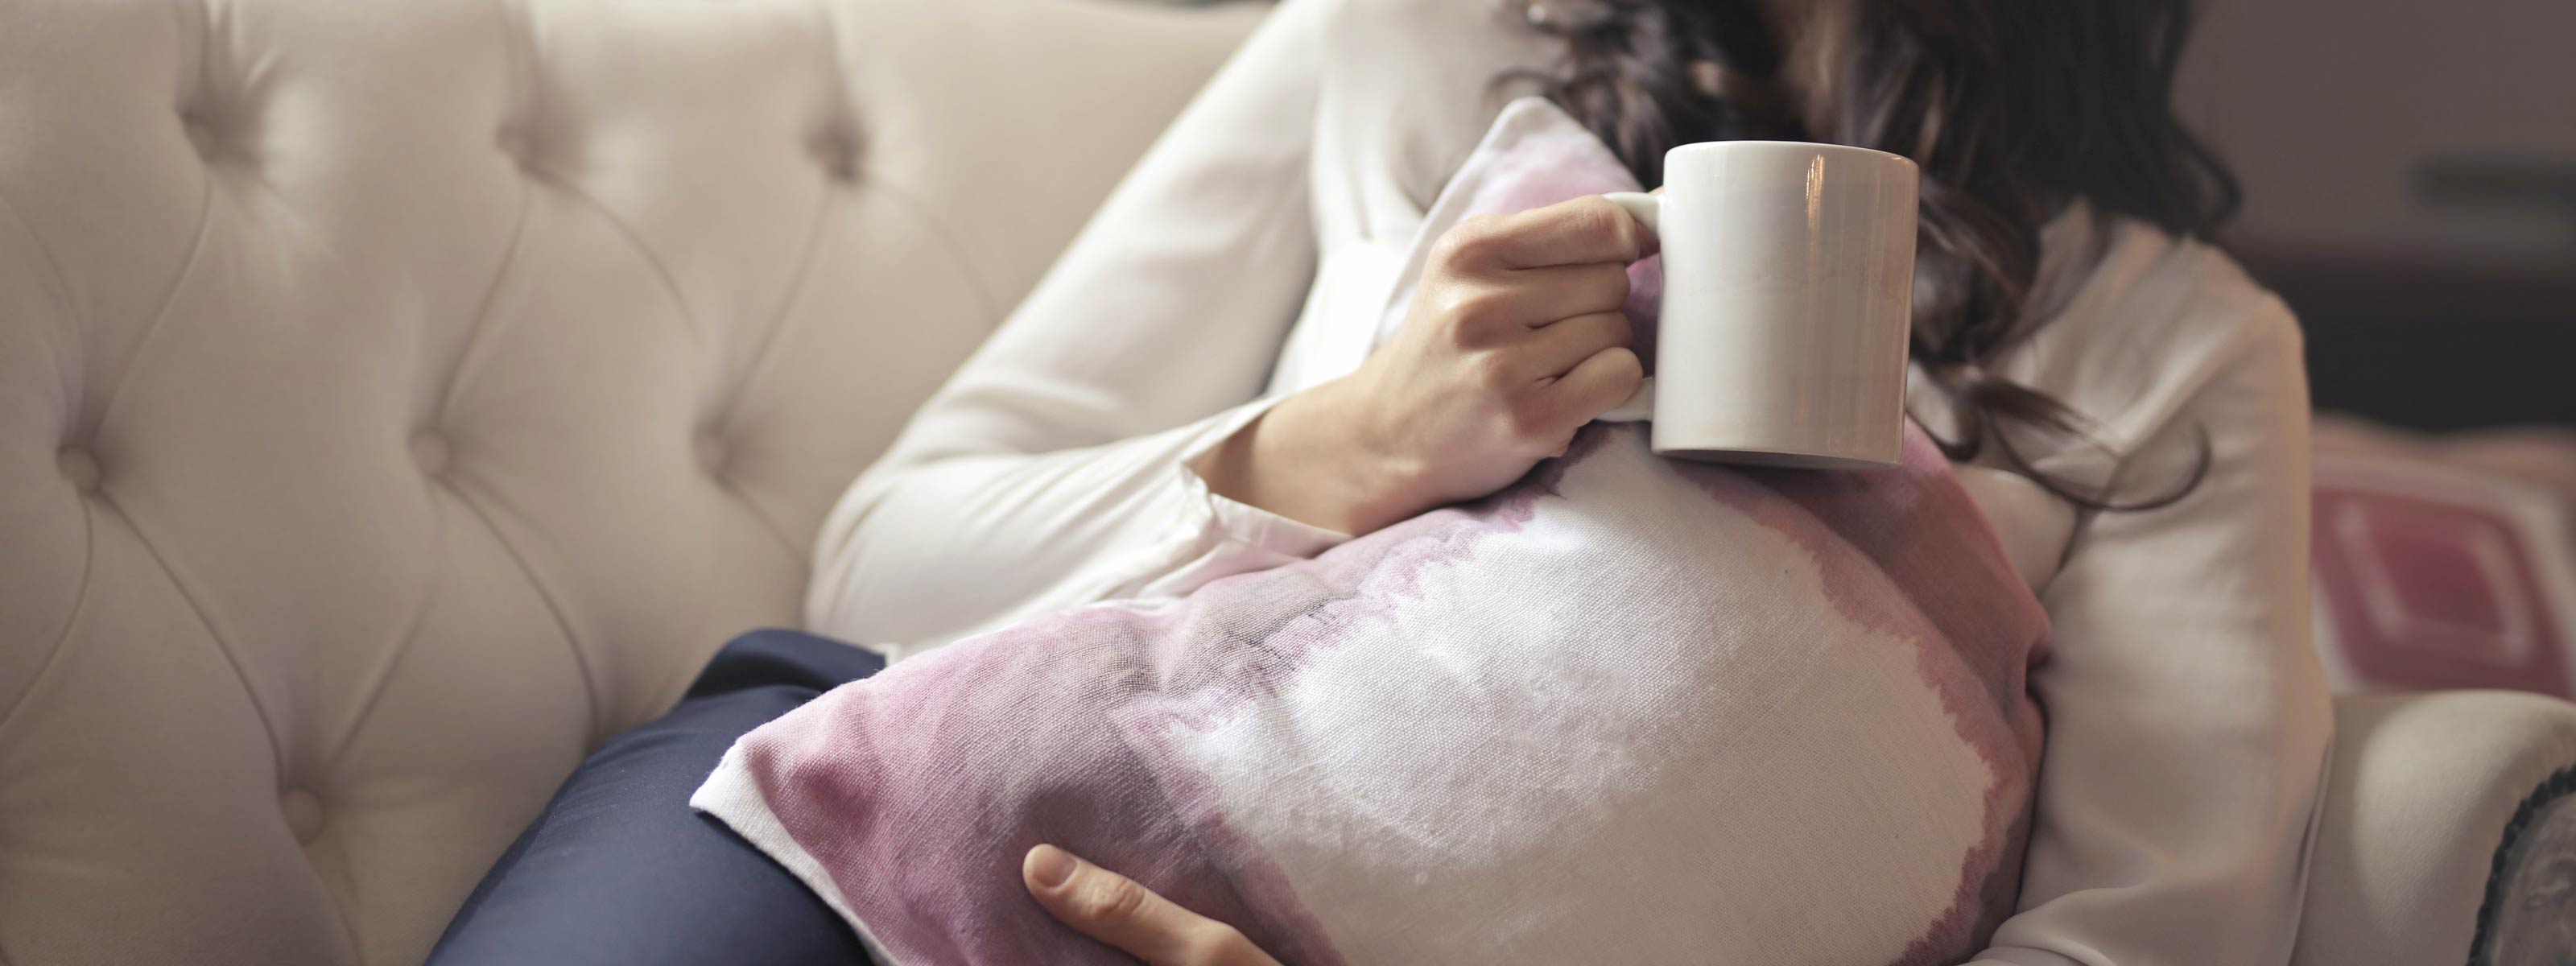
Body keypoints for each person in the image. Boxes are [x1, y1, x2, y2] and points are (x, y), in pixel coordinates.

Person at [433, 0, 2332, 964]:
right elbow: (886, 552)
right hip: (903, 815)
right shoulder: (1410, 46)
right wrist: (1356, 443)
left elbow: (2133, 939)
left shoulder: (2173, 344)